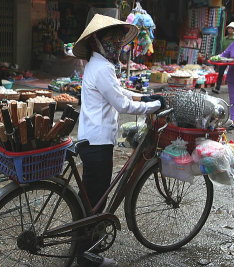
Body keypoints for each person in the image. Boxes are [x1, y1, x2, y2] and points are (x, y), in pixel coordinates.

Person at [72, 14, 164, 267]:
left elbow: (120, 91)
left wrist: (145, 97)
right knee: (95, 197)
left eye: (117, 39)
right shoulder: (101, 68)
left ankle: (84, 244)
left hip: (94, 138)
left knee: (91, 195)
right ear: (97, 43)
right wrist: (154, 106)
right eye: (110, 39)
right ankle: (85, 255)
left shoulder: (99, 65)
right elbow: (121, 103)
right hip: (97, 142)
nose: (116, 43)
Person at [212, 22, 234, 94]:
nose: (230, 30)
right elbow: (222, 48)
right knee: (221, 73)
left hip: (233, 59)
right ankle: (217, 88)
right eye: (229, 28)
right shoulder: (224, 39)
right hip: (224, 58)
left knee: (233, 73)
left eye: (232, 28)